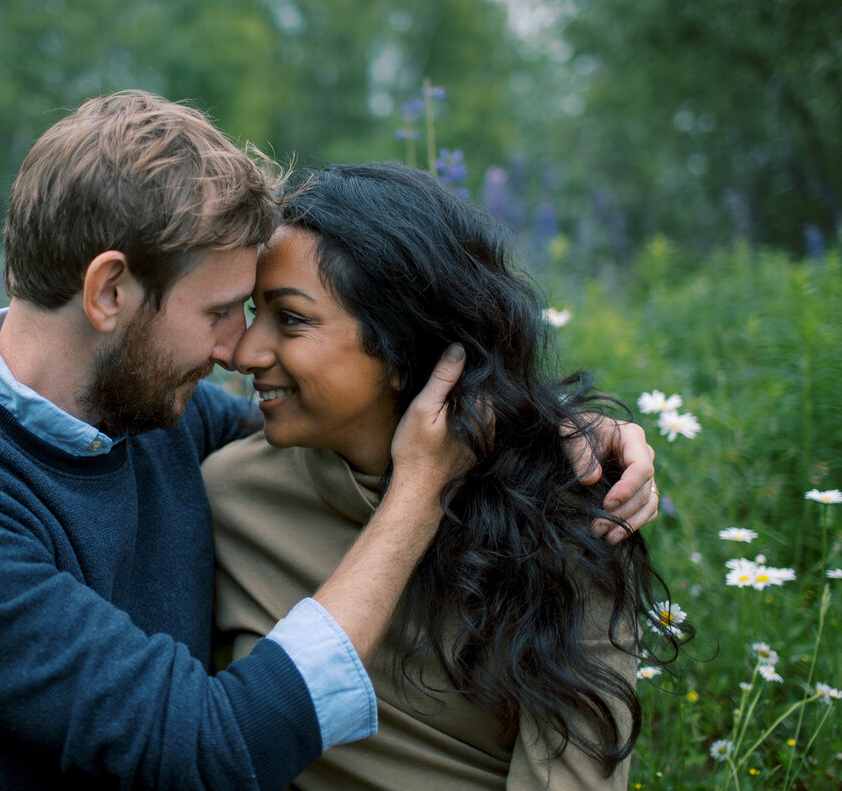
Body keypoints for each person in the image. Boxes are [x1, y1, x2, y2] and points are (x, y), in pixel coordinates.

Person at [0, 92, 659, 790]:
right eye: (222, 312)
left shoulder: (161, 423)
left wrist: (559, 432)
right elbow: (205, 751)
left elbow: (361, 414)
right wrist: (417, 496)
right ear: (110, 291)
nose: (236, 352)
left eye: (265, 316)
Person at [205, 162, 679, 790]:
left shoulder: (563, 518)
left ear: (404, 348)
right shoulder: (229, 496)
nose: (244, 354)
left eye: (290, 319)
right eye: (250, 313)